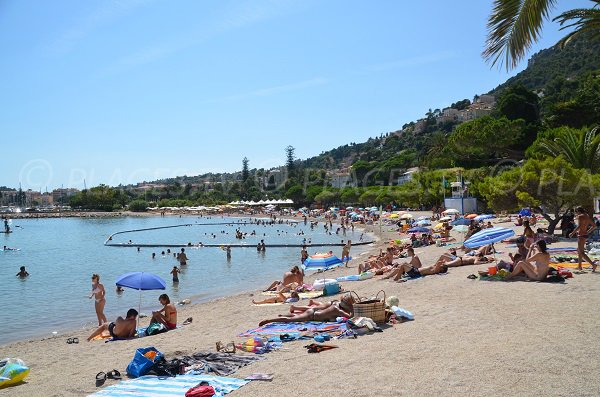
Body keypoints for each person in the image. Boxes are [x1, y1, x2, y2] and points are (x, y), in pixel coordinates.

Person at [258, 293, 355, 326]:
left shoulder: (335, 304)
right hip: (311, 316)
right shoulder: (338, 310)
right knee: (291, 320)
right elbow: (350, 316)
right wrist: (352, 309)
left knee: (296, 316)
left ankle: (283, 315)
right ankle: (269, 321)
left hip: (313, 312)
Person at [570, 206, 597, 271]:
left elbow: (579, 226)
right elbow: (594, 226)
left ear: (578, 211)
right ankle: (579, 266)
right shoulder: (586, 216)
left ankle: (593, 264)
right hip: (584, 235)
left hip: (581, 235)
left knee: (581, 252)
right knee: (579, 251)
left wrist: (572, 233)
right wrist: (587, 232)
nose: (576, 213)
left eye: (576, 212)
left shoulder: (580, 216)